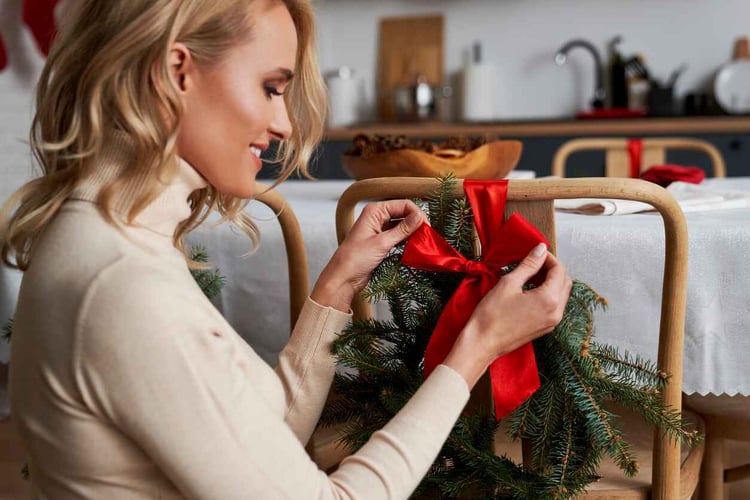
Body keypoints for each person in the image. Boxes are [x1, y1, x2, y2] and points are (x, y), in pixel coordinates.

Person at [0, 0, 572, 498]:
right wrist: (476, 349)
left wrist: (337, 287)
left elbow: (260, 451)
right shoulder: (126, 286)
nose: (281, 122)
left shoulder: (107, 234)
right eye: (271, 88)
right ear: (178, 71)